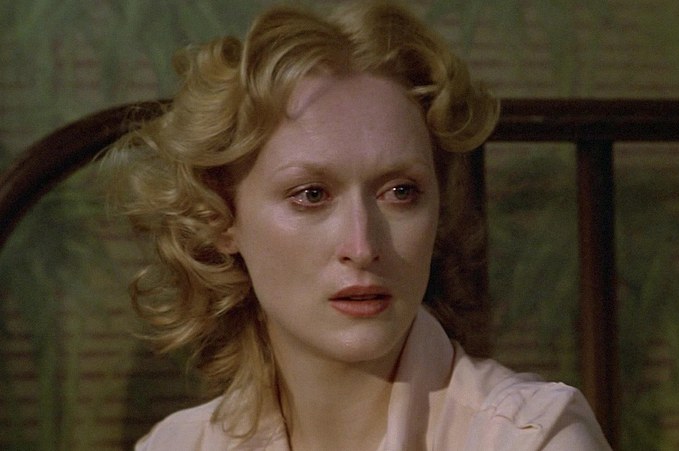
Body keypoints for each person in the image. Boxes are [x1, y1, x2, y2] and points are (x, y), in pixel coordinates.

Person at [108, 1, 611, 449]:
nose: (362, 245)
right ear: (220, 217)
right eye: (311, 194)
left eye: (400, 192)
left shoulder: (530, 439)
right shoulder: (177, 444)